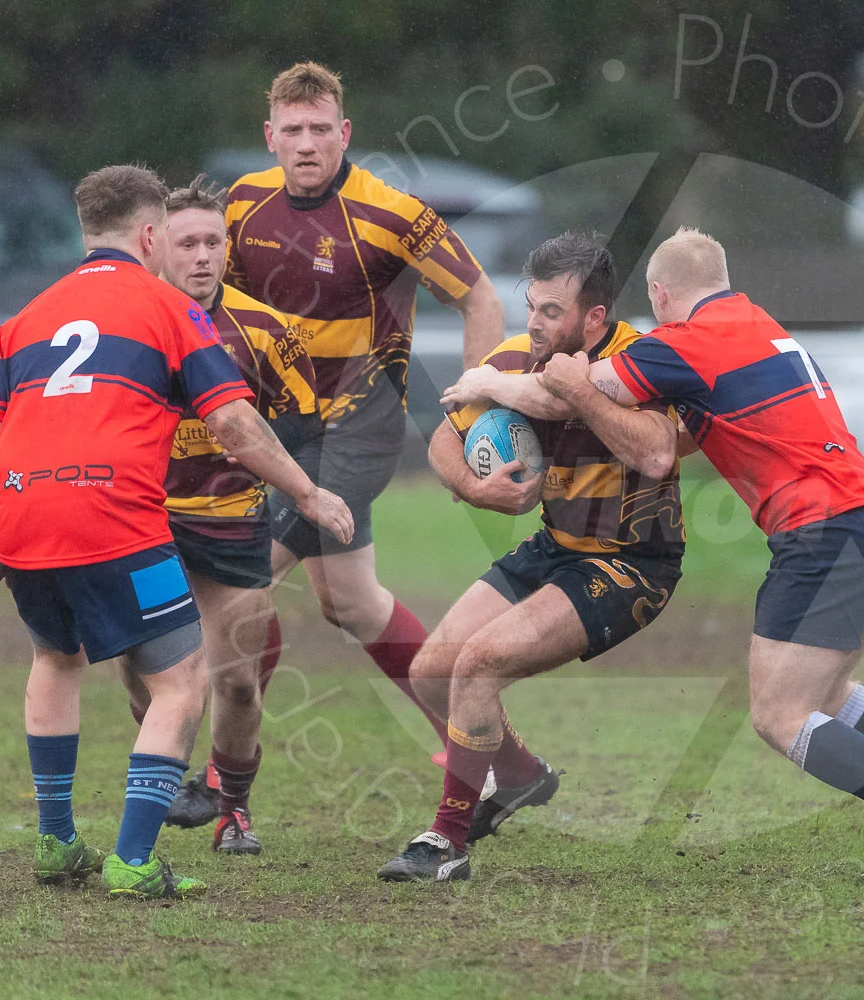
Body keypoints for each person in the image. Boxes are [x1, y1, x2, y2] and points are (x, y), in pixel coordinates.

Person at [538, 226, 864, 886]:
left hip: (824, 533)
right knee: (831, 692)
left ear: (660, 295)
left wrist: (507, 386)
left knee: (778, 714)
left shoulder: (686, 341)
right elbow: (691, 433)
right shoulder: (762, 328)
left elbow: (583, 387)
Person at [0, 165, 352, 899]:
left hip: (21, 511)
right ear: (150, 236)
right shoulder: (167, 307)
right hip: (113, 514)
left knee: (56, 660)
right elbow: (233, 421)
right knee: (179, 680)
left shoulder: (26, 317)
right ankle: (133, 861)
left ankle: (55, 844)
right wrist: (306, 488)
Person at [375, 232, 685, 882]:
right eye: (531, 306)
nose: (535, 324)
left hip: (630, 564)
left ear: (594, 318)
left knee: (480, 664)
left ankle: (448, 840)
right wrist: (475, 487)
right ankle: (518, 776)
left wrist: (519, 388)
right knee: (432, 673)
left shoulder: (644, 362)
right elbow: (441, 441)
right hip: (555, 546)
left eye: (552, 311)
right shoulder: (518, 355)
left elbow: (654, 451)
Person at [221, 61, 505, 731]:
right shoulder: (242, 203)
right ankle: (492, 754)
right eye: (293, 130)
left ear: (345, 133)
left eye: (321, 129)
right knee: (350, 602)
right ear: (271, 136)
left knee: (243, 578)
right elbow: (224, 311)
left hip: (360, 429)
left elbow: (480, 298)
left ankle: (224, 780)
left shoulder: (392, 214)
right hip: (283, 427)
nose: (307, 144)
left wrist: (476, 416)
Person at [142, 174, 321, 855]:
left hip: (232, 525)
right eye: (187, 243)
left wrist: (288, 532)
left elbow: (308, 442)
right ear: (158, 246)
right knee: (152, 685)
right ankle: (161, 791)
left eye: (214, 241)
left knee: (239, 685)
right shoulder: (133, 326)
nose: (202, 257)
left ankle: (232, 808)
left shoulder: (267, 333)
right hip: (145, 527)